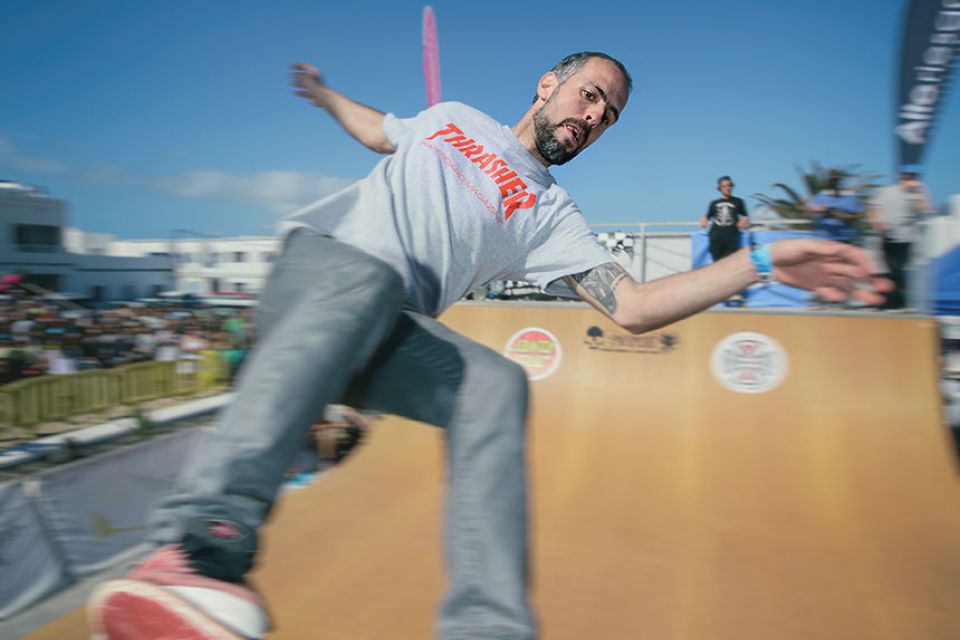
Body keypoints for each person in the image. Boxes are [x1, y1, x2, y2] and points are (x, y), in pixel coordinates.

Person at [88, 52, 890, 640]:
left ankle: (487, 625)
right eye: (588, 95)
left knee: (498, 387)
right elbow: (378, 132)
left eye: (607, 117)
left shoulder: (551, 214)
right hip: (321, 273)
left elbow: (637, 307)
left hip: (383, 335)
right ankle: (198, 545)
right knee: (371, 281)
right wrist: (328, 94)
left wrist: (761, 258)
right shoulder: (455, 119)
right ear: (549, 82)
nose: (590, 118)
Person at [867, 164, 935, 310]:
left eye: (913, 176)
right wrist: (877, 222)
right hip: (887, 237)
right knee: (885, 270)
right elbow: (872, 208)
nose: (910, 179)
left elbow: (926, 209)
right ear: (900, 176)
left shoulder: (916, 194)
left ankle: (898, 303)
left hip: (906, 239)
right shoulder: (886, 191)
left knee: (900, 271)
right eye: (907, 175)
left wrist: (921, 190)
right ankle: (884, 302)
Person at [700, 175, 749, 263]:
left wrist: (744, 221)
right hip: (716, 238)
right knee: (716, 266)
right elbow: (707, 217)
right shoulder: (713, 203)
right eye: (724, 186)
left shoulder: (738, 201)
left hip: (731, 239)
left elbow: (745, 216)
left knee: (730, 264)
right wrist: (704, 220)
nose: (727, 188)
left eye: (729, 185)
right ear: (719, 188)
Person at [808, 169, 862, 245]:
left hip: (843, 238)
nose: (833, 182)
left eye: (836, 179)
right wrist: (814, 210)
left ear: (841, 180)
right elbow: (808, 212)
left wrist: (833, 213)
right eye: (831, 180)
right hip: (821, 238)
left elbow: (856, 217)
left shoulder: (851, 196)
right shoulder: (820, 195)